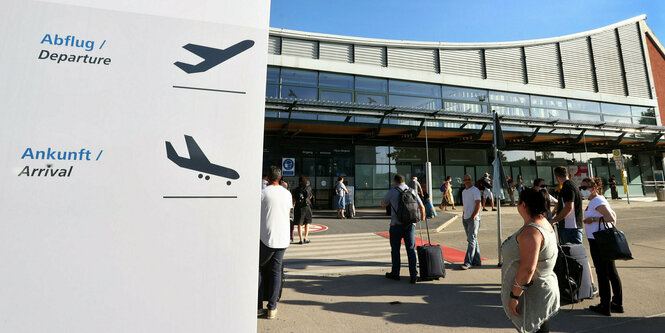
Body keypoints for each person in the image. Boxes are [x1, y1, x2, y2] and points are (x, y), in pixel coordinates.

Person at [501, 188, 560, 333]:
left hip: (532, 295)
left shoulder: (531, 232)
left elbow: (528, 268)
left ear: (523, 205)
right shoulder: (544, 223)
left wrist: (515, 295)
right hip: (541, 290)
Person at [581, 177, 623, 316]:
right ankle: (616, 303)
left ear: (593, 188)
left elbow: (610, 217)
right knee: (611, 272)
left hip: (599, 240)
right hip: (602, 239)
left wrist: (592, 219)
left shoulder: (597, 200)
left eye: (584, 188)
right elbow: (613, 216)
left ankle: (605, 305)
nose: (582, 191)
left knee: (603, 273)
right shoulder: (598, 200)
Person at [258, 166, 293, 319]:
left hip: (266, 237)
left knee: (258, 269)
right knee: (276, 272)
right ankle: (272, 308)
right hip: (283, 239)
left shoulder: (262, 193)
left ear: (267, 178)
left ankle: (258, 306)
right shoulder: (287, 194)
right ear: (279, 178)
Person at [381, 174, 426, 284]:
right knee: (411, 250)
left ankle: (395, 273)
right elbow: (422, 207)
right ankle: (413, 276)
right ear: (404, 181)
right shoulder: (412, 191)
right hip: (410, 225)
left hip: (396, 225)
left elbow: (383, 203)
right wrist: (421, 218)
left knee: (395, 250)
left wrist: (392, 202)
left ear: (395, 181)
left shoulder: (392, 191)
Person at [551, 166, 584, 244]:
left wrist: (554, 220)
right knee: (576, 253)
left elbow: (569, 207)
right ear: (567, 174)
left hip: (570, 228)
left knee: (571, 254)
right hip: (573, 228)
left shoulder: (567, 187)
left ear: (557, 177)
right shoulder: (573, 185)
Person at [461, 174, 482, 270]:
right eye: (466, 179)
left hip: (473, 219)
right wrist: (464, 215)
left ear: (472, 180)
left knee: (471, 240)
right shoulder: (464, 192)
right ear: (463, 181)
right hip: (465, 218)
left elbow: (478, 204)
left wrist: (473, 216)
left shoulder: (475, 190)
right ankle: (477, 261)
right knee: (473, 239)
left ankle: (468, 262)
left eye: (469, 179)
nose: (468, 181)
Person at [292, 175, 313, 245]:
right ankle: (306, 238)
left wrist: (293, 206)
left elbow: (294, 199)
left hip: (299, 207)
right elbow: (310, 196)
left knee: (299, 223)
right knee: (307, 222)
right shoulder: (309, 188)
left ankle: (300, 239)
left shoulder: (296, 190)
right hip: (307, 207)